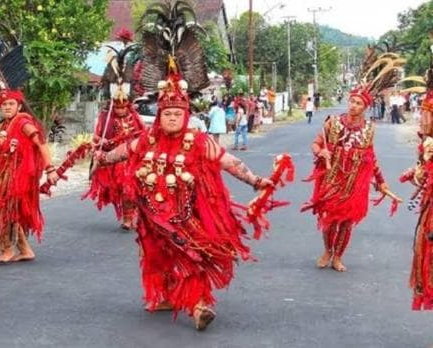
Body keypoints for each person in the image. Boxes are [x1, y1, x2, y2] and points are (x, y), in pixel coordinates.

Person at [95, 5, 279, 331]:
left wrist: (253, 180)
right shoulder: (146, 140)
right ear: (160, 114)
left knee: (189, 253)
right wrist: (102, 157)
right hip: (152, 215)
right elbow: (123, 151)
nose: (171, 118)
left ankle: (198, 305)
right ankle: (168, 295)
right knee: (156, 255)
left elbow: (228, 161)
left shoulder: (198, 141)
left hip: (189, 215)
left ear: (185, 115)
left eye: (177, 114)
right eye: (167, 114)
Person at [302, 77, 402, 272]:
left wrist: (381, 181)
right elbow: (315, 144)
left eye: (358, 103)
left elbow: (371, 158)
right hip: (333, 178)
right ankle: (328, 251)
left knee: (347, 222)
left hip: (355, 182)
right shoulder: (333, 123)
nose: (353, 106)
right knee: (330, 219)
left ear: (365, 107)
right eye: (352, 101)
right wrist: (320, 151)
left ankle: (338, 256)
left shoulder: (368, 129)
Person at [0, 88, 59, 264]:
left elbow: (41, 144)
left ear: (19, 106)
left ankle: (7, 250)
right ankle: (24, 250)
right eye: (4, 104)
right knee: (6, 210)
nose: (7, 107)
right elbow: (3, 146)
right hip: (3, 175)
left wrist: (50, 169)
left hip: (19, 176)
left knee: (3, 210)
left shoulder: (23, 123)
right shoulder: (6, 125)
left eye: (11, 104)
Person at [82, 28, 145, 231]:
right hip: (113, 159)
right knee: (120, 189)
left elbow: (144, 135)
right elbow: (97, 136)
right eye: (116, 105)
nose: (119, 108)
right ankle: (128, 213)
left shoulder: (134, 116)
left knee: (130, 188)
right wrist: (100, 143)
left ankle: (129, 216)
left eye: (123, 105)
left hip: (132, 158)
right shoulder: (104, 117)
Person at [401, 69, 433, 310]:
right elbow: (423, 178)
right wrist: (419, 174)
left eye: (428, 114)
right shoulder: (427, 145)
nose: (423, 121)